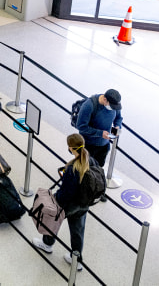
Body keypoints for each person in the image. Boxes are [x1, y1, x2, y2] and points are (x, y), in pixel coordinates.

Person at [33, 133, 97, 272]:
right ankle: (76, 258)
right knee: (78, 230)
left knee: (51, 219)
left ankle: (47, 244)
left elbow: (66, 194)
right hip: (84, 204)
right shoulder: (91, 161)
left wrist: (55, 198)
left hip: (71, 204)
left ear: (71, 148)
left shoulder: (72, 168)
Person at [75, 89, 123, 170]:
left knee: (97, 169)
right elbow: (81, 126)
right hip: (88, 146)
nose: (112, 109)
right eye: (111, 107)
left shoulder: (114, 104)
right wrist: (100, 133)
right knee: (83, 169)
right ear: (105, 99)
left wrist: (117, 126)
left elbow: (118, 118)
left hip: (104, 146)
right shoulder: (89, 105)